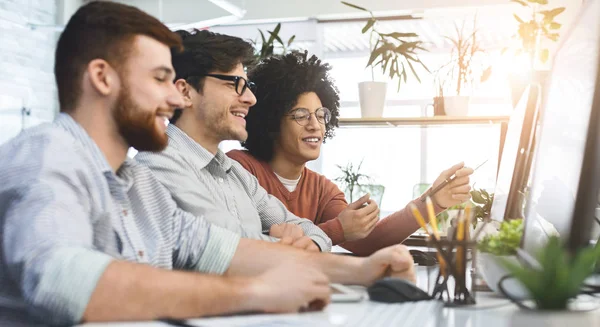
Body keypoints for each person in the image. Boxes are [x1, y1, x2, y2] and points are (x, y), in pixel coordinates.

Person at [0, 3, 416, 326]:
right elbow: (63, 280)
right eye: (160, 78)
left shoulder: (135, 182)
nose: (175, 97)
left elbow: (224, 251)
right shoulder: (45, 156)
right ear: (103, 78)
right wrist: (255, 293)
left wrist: (362, 270)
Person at [228, 51, 474, 256]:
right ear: (270, 122)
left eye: (321, 115)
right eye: (301, 115)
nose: (315, 125)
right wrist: (338, 229)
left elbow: (367, 240)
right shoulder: (238, 168)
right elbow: (244, 248)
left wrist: (432, 202)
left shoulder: (323, 189)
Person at [135, 30, 330, 252]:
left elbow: (314, 232)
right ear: (186, 92)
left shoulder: (235, 174)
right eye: (234, 83)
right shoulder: (158, 165)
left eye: (248, 86)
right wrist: (282, 242)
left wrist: (307, 243)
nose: (250, 99)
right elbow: (230, 246)